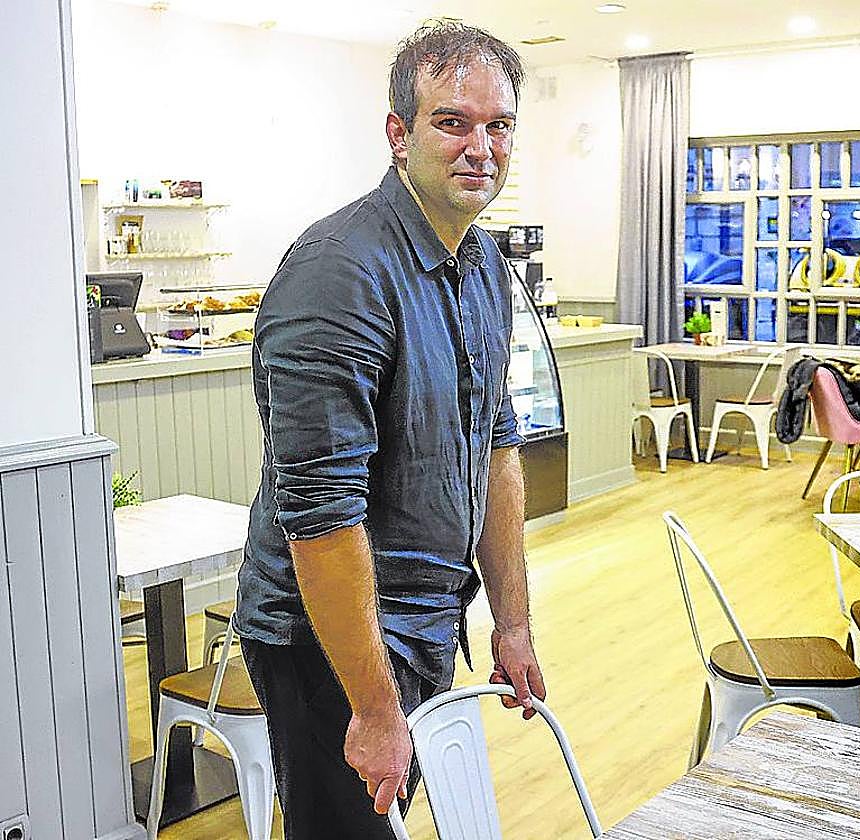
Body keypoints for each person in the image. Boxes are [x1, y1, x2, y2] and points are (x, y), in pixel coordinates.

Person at [234, 22, 542, 837]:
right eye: (453, 122)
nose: (481, 146)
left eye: (499, 125)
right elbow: (323, 515)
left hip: (427, 615)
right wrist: (373, 708)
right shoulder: (339, 272)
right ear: (399, 134)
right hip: (327, 641)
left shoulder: (483, 266)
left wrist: (511, 623)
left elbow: (497, 452)